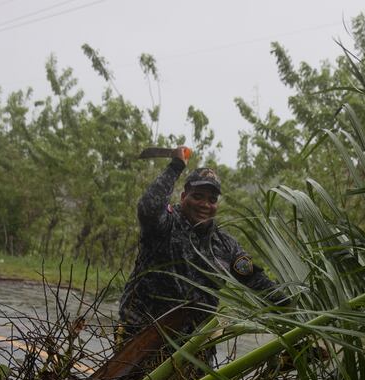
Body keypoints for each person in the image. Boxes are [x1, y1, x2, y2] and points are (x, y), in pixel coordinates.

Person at [117, 146, 286, 352]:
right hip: (142, 338)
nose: (205, 204)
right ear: (183, 197)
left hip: (193, 348)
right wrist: (176, 166)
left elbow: (254, 279)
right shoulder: (165, 225)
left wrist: (290, 302)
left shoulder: (226, 245)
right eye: (198, 196)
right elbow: (148, 207)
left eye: (212, 199)